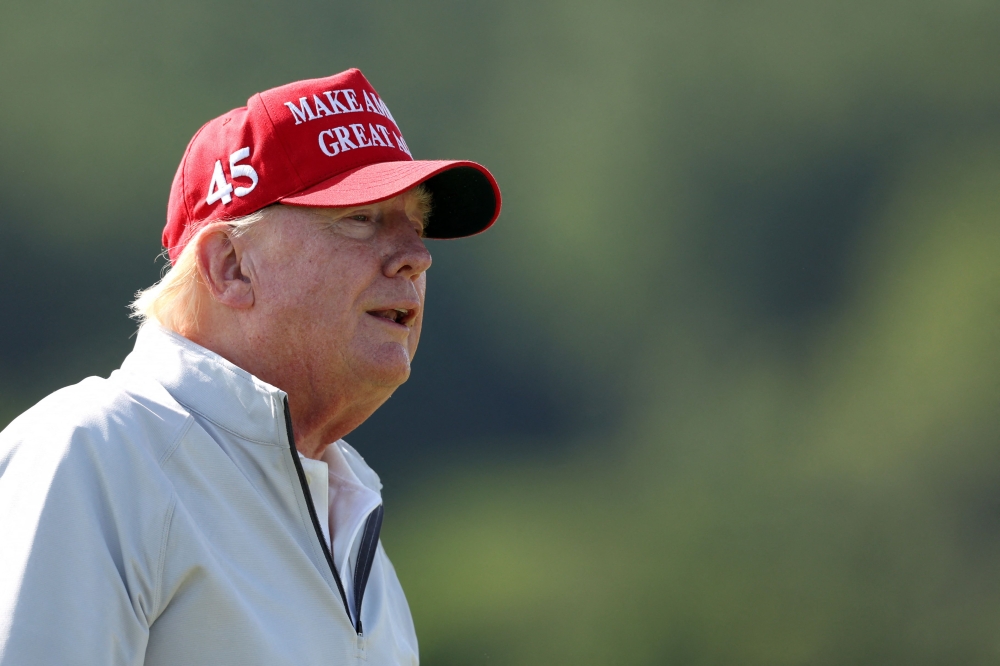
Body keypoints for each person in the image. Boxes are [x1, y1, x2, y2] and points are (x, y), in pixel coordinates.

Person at [0, 68, 500, 665]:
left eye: (415, 226)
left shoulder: (351, 524)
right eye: (361, 218)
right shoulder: (97, 453)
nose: (417, 257)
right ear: (231, 266)